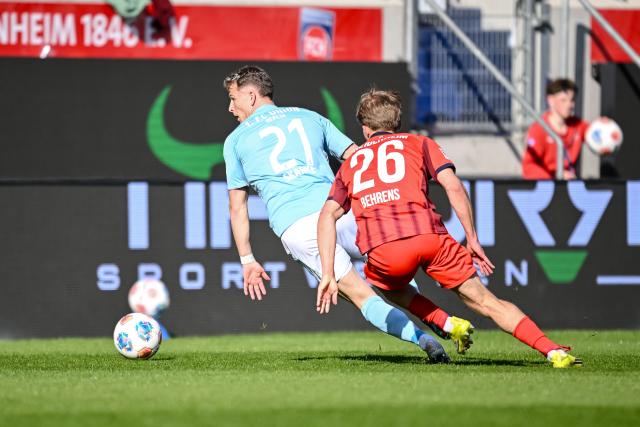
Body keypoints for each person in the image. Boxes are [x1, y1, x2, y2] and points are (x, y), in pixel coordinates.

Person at [222, 65, 472, 363]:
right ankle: (440, 319)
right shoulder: (310, 117)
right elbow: (359, 156)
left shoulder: (235, 140)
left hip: (299, 226)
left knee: (361, 296)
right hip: (341, 211)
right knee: (389, 274)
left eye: (233, 98)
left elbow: (237, 206)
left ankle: (427, 340)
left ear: (251, 96)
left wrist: (247, 260)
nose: (230, 107)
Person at [317, 89, 582, 368]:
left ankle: (444, 322)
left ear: (365, 127)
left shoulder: (352, 163)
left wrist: (327, 272)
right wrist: (472, 238)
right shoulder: (420, 143)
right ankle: (553, 351)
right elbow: (453, 185)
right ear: (396, 121)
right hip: (431, 238)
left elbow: (327, 216)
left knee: (391, 289)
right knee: (486, 301)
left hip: (386, 248)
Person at [522, 78, 590, 180]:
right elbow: (528, 167)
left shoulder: (577, 125)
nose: (569, 105)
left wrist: (604, 126)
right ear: (551, 100)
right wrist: (555, 177)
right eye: (563, 100)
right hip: (546, 186)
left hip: (571, 184)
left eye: (572, 100)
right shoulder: (539, 129)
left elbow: (595, 133)